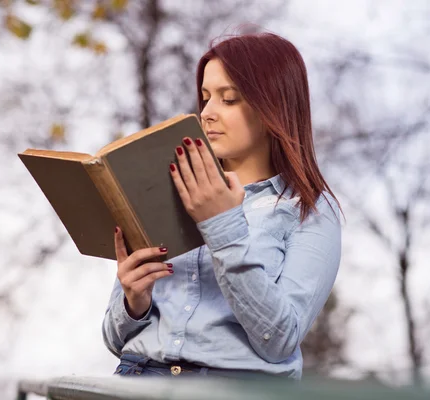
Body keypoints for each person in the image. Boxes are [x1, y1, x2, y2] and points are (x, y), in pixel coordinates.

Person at [102, 31, 343, 380]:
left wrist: (221, 223)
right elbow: (114, 339)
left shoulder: (309, 210)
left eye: (229, 99)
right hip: (138, 379)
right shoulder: (168, 192)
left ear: (273, 107)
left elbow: (280, 339)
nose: (207, 113)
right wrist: (132, 303)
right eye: (205, 98)